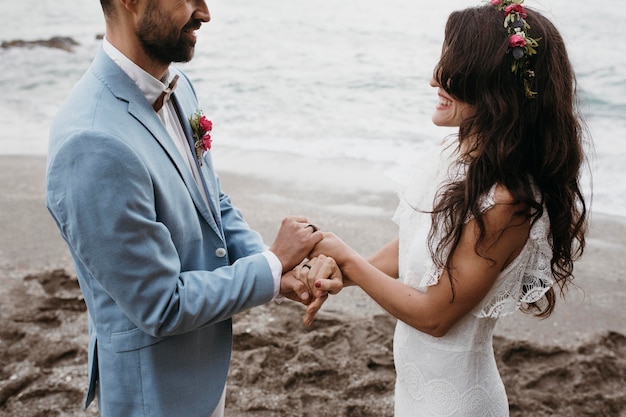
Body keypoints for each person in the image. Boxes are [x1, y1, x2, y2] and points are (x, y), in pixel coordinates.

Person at [45, 0, 340, 416]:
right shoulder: (92, 143)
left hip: (205, 367)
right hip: (157, 392)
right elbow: (160, 305)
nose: (204, 12)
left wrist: (277, 271)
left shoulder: (177, 86)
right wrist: (271, 266)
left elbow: (211, 202)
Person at [297, 1, 589, 415]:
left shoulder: (507, 203)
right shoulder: (454, 157)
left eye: (454, 68)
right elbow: (419, 244)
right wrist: (343, 275)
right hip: (414, 393)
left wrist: (345, 255)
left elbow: (435, 316)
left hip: (456, 403)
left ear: (492, 86)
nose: (435, 78)